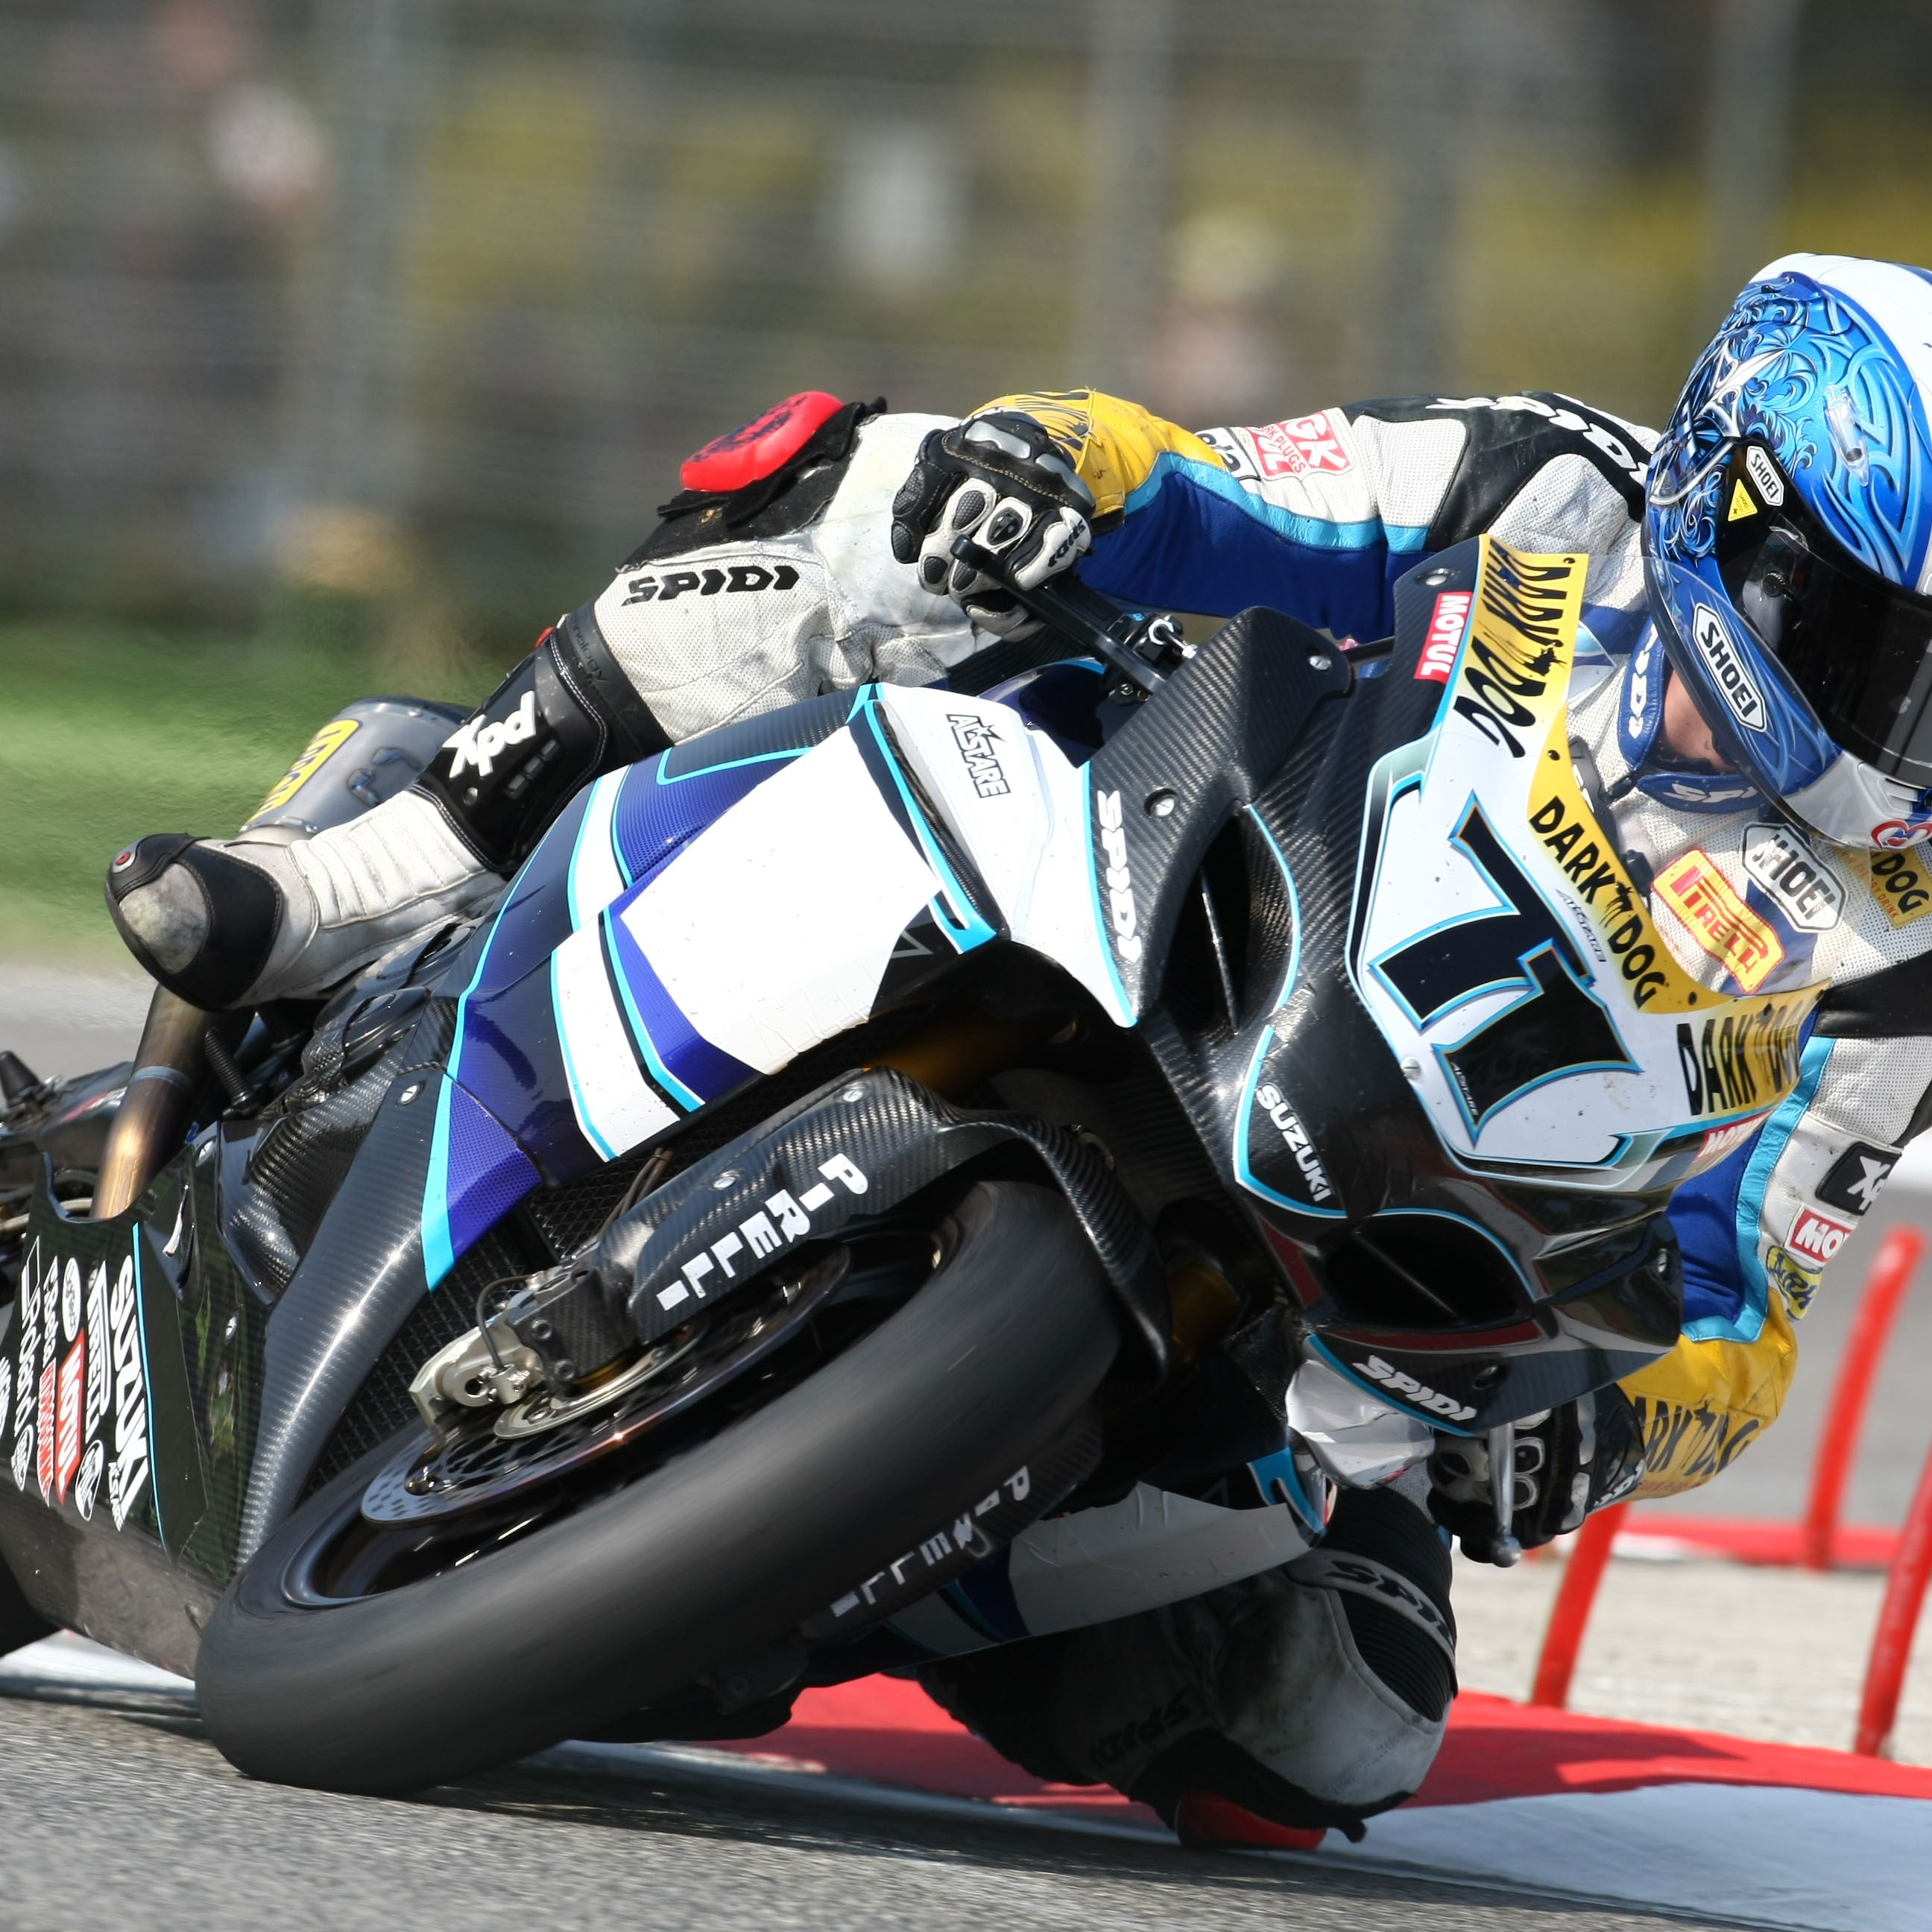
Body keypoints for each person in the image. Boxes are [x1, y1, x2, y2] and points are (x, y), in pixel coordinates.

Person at [102, 253, 1932, 1845]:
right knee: (877, 482)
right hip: (1179, 872)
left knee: (1333, 1724)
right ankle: (398, 846)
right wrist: (1059, 465)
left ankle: (798, 1543)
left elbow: (1745, 1301)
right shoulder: (1557, 482)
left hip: (1355, 1277)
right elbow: (1241, 495)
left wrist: (1607, 1434)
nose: (1896, 727)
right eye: (1871, 644)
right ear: (1727, 500)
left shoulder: (1902, 957)